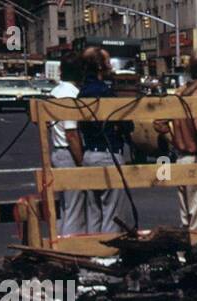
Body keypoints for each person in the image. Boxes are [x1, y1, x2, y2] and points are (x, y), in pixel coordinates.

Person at [157, 50, 197, 231]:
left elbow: (159, 124)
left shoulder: (179, 93)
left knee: (186, 219)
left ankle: (184, 257)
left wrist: (175, 140)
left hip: (181, 159)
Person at [77, 47, 134, 233]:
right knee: (112, 212)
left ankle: (93, 252)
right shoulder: (105, 93)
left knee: (93, 210)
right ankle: (108, 256)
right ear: (100, 66)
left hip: (89, 155)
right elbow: (126, 125)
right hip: (109, 155)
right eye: (108, 61)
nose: (111, 65)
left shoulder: (82, 93)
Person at [49, 51, 86, 236]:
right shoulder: (71, 96)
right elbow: (71, 133)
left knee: (64, 205)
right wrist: (82, 162)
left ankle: (59, 240)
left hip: (57, 152)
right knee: (74, 206)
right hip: (69, 154)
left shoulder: (55, 92)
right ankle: (70, 247)